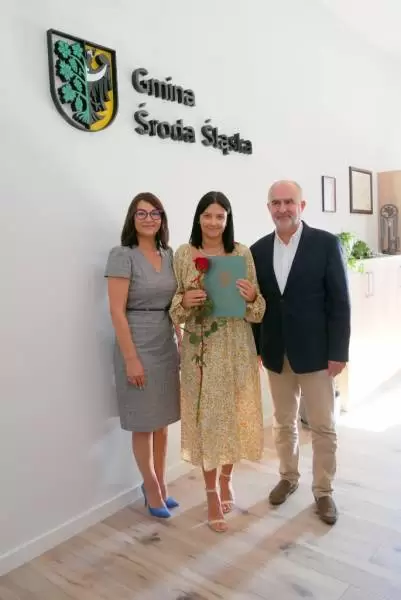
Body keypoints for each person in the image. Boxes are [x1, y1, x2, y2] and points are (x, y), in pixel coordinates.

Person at [250, 180, 351, 525]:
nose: (282, 209)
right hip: (276, 352)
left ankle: (323, 491)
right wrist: (258, 346)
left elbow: (340, 302)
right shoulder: (257, 250)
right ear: (269, 208)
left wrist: (338, 351)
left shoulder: (326, 244)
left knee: (322, 426)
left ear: (301, 206)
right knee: (283, 422)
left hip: (317, 353)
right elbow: (258, 303)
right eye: (276, 203)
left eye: (288, 202)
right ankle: (288, 477)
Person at [169, 191, 266, 533]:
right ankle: (211, 493)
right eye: (207, 215)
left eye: (220, 216)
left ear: (227, 219)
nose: (213, 222)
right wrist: (185, 300)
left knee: (234, 416)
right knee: (207, 420)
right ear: (198, 218)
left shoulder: (241, 253)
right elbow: (174, 309)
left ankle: (226, 478)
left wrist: (252, 296)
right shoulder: (184, 254)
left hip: (237, 346)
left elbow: (258, 309)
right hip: (201, 350)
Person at [105, 192, 181, 519]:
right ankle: (149, 487)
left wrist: (181, 336)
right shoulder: (122, 255)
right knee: (144, 423)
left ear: (162, 219)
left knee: (162, 422)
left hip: (165, 341)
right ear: (132, 219)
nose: (149, 219)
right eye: (141, 213)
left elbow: (174, 303)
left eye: (155, 213)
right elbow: (116, 311)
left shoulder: (170, 254)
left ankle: (161, 483)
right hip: (136, 341)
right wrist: (131, 359)